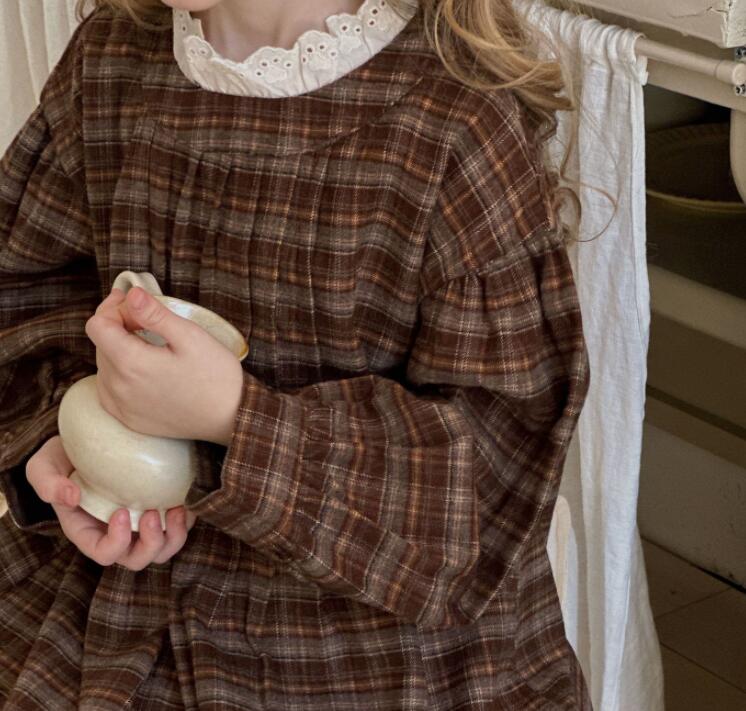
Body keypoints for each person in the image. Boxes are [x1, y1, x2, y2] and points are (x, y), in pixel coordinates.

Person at [0, 0, 593, 707]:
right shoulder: (108, 59)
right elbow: (28, 302)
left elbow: (490, 484)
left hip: (371, 660)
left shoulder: (458, 122)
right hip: (113, 617)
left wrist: (235, 419)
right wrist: (65, 446)